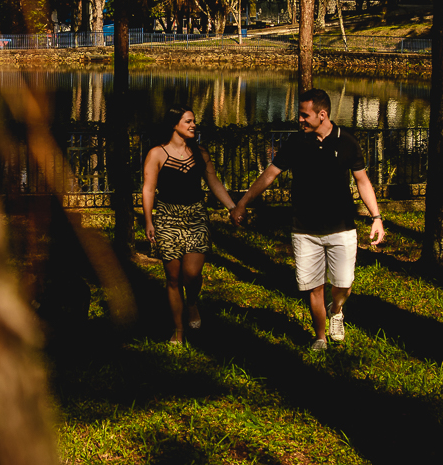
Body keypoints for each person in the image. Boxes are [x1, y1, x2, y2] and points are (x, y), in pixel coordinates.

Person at [230, 88, 384, 350]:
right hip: (304, 229)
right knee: (314, 286)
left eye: (304, 115)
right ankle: (320, 337)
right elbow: (269, 175)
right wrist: (242, 203)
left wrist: (376, 217)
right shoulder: (296, 144)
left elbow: (362, 181)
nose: (299, 120)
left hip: (342, 227)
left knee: (344, 285)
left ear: (322, 115)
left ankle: (336, 309)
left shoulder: (346, 141)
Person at [143, 105, 237, 344]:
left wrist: (232, 207)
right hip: (167, 218)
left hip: (196, 217)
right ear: (174, 125)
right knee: (173, 279)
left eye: (193, 121)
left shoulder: (200, 153)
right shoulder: (157, 154)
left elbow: (213, 182)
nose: (193, 125)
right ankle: (178, 330)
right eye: (188, 121)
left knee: (192, 274)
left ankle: (192, 301)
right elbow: (148, 189)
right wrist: (148, 221)